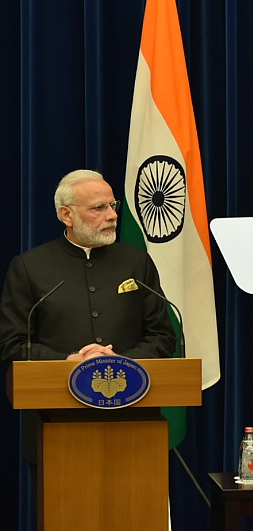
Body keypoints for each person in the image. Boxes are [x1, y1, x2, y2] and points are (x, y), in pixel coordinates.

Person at [0, 169, 176, 466]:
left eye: (112, 205)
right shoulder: (29, 267)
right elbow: (13, 345)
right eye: (99, 208)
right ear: (66, 215)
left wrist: (118, 360)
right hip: (54, 424)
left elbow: (163, 336)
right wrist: (69, 362)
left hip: (133, 421)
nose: (112, 216)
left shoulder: (136, 262)